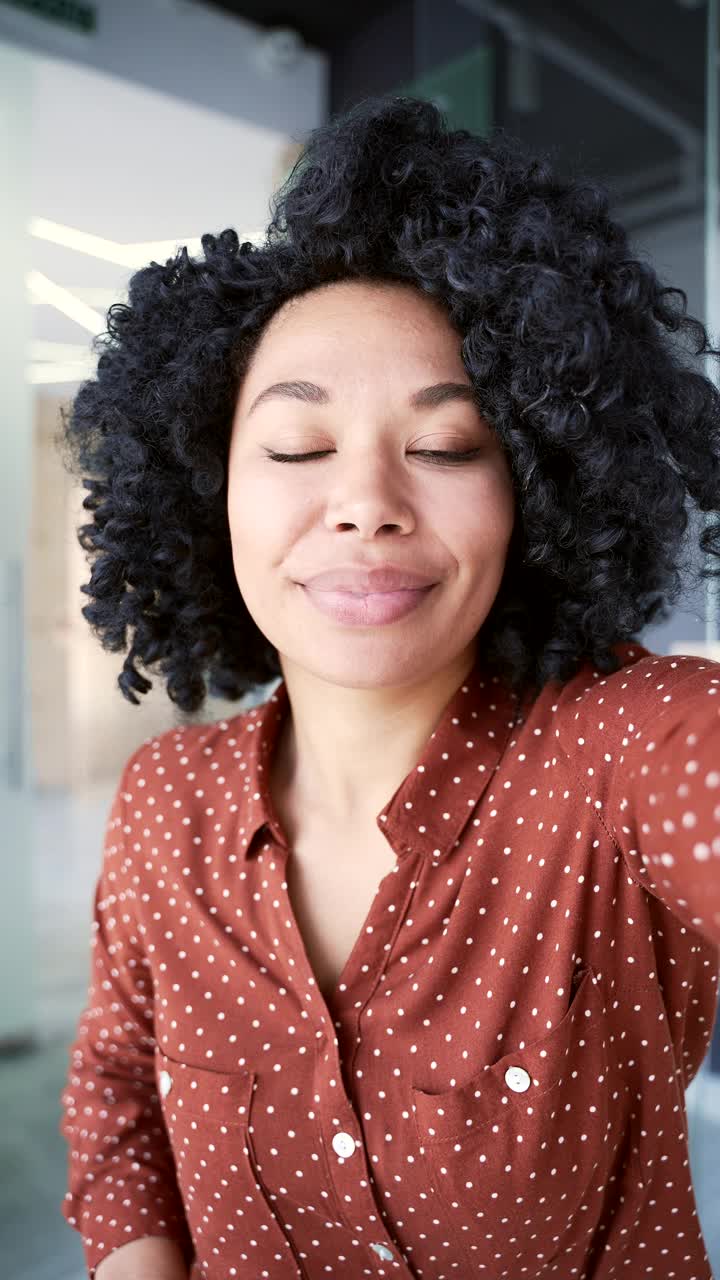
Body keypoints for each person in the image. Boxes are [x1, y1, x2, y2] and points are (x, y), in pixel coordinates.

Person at [57, 94, 720, 1280]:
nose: (365, 500)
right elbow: (116, 1095)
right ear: (209, 494)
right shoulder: (164, 800)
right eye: (299, 448)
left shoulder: (624, 754)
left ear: (533, 492)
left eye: (448, 446)